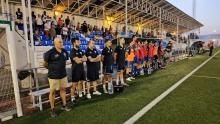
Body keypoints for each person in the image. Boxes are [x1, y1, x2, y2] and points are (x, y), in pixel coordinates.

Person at [43, 37, 70, 118]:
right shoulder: (50, 53)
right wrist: (51, 69)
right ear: (55, 43)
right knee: (53, 92)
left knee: (63, 90)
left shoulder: (65, 52)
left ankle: (64, 105)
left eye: (62, 42)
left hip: (63, 75)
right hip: (53, 76)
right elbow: (45, 64)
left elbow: (64, 62)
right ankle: (52, 109)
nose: (61, 43)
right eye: (59, 42)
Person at [70, 38, 87, 103]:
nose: (79, 43)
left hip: (81, 69)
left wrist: (80, 59)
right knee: (74, 84)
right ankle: (72, 97)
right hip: (75, 70)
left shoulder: (80, 50)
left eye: (79, 41)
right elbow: (77, 61)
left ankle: (80, 95)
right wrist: (81, 59)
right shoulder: (72, 51)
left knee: (80, 82)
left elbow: (86, 59)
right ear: (74, 43)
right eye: (78, 42)